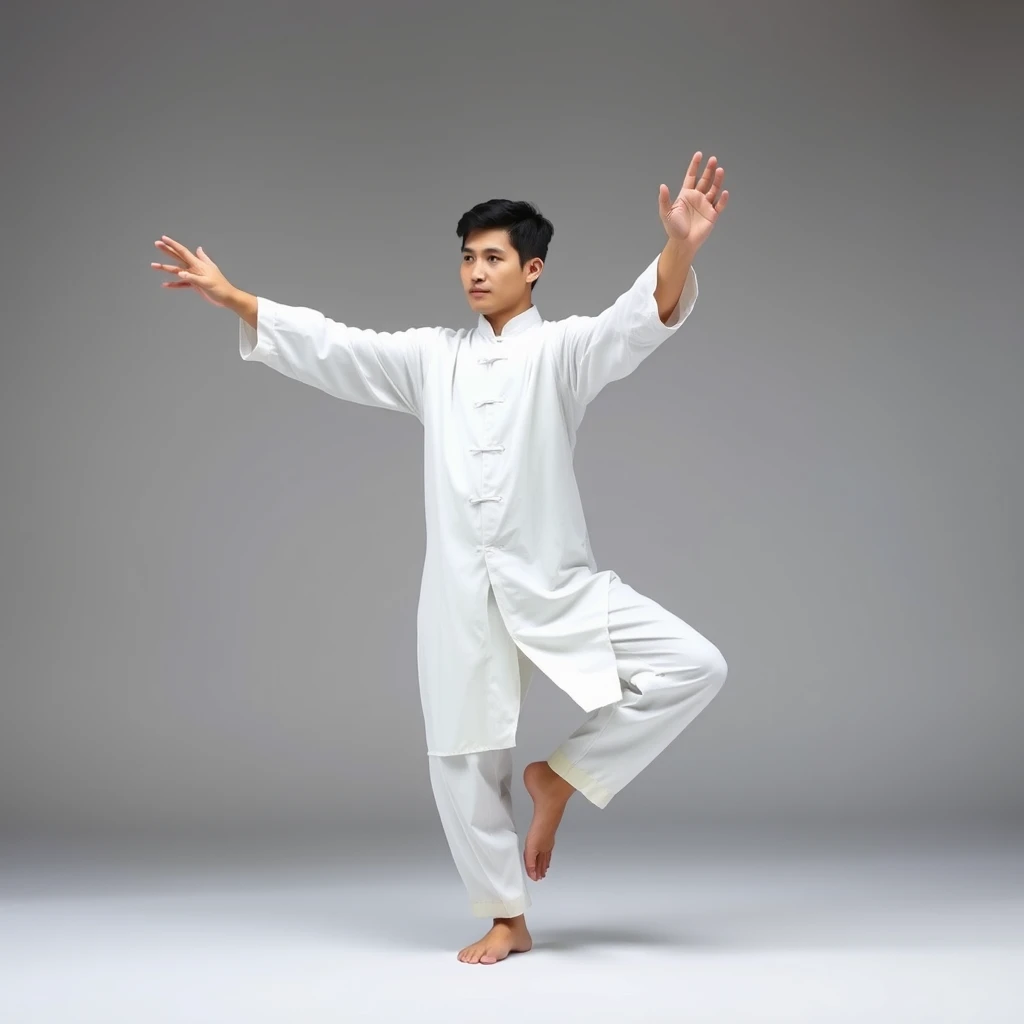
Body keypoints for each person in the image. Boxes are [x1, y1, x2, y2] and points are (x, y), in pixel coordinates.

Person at [151, 150, 731, 965]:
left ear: (533, 270)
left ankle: (560, 779)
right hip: (461, 595)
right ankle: (506, 916)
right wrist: (233, 297)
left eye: (493, 256)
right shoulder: (434, 357)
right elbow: (336, 349)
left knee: (695, 666)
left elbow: (634, 322)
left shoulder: (561, 352)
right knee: (461, 757)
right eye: (466, 256)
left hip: (555, 583)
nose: (475, 270)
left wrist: (680, 248)